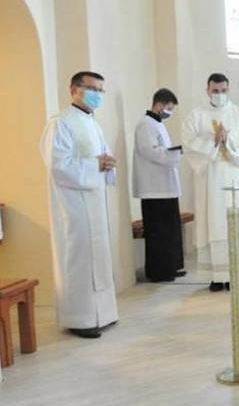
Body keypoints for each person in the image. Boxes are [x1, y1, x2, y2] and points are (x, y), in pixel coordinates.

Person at [40, 71, 118, 338]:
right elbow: (59, 166)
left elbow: (101, 157)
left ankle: (103, 314)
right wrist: (96, 165)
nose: (98, 94)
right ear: (74, 90)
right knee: (79, 259)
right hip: (74, 206)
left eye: (101, 90)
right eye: (92, 88)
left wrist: (107, 163)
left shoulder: (92, 123)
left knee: (98, 257)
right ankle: (80, 319)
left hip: (94, 202)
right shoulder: (60, 123)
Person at [181, 73, 239, 292]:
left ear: (228, 89)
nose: (220, 95)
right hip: (210, 179)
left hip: (234, 175)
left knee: (234, 224)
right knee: (212, 223)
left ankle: (235, 275)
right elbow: (189, 144)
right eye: (215, 91)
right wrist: (212, 141)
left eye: (223, 91)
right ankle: (215, 276)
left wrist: (230, 138)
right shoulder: (196, 116)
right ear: (207, 90)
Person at [132, 88, 185, 283]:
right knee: (158, 232)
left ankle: (170, 267)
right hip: (153, 187)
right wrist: (175, 153)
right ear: (159, 104)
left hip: (164, 187)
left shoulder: (157, 124)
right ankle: (158, 271)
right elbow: (150, 151)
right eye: (169, 108)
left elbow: (162, 149)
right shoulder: (145, 124)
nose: (169, 112)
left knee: (169, 230)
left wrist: (174, 151)